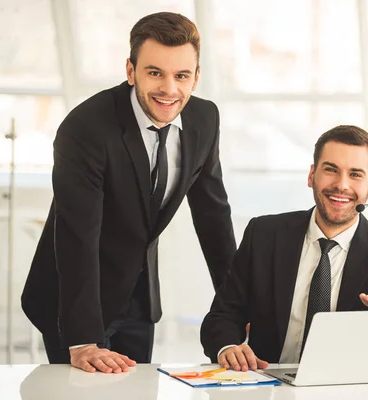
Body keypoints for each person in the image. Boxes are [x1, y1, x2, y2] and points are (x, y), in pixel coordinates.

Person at [21, 12, 236, 373]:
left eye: (181, 75)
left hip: (139, 298)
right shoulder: (86, 128)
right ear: (131, 70)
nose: (169, 89)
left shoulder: (204, 119)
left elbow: (214, 216)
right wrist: (83, 339)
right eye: (155, 73)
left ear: (196, 77)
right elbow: (77, 234)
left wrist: (236, 307)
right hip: (72, 302)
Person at [200, 125, 368, 371]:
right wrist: (228, 347)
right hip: (268, 385)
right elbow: (222, 316)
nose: (341, 185)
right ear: (311, 175)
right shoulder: (263, 235)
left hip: (349, 389)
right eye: (331, 170)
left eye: (356, 174)